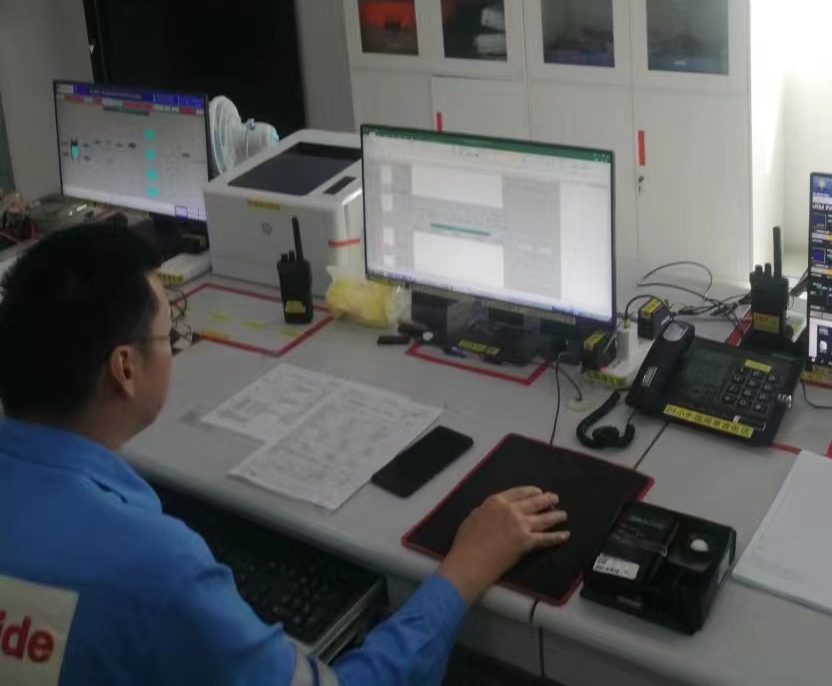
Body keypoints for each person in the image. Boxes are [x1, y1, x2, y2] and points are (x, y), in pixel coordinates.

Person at [0, 223, 568, 685]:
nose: (175, 345)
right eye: (170, 333)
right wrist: (463, 571)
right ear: (125, 369)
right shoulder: (160, 570)